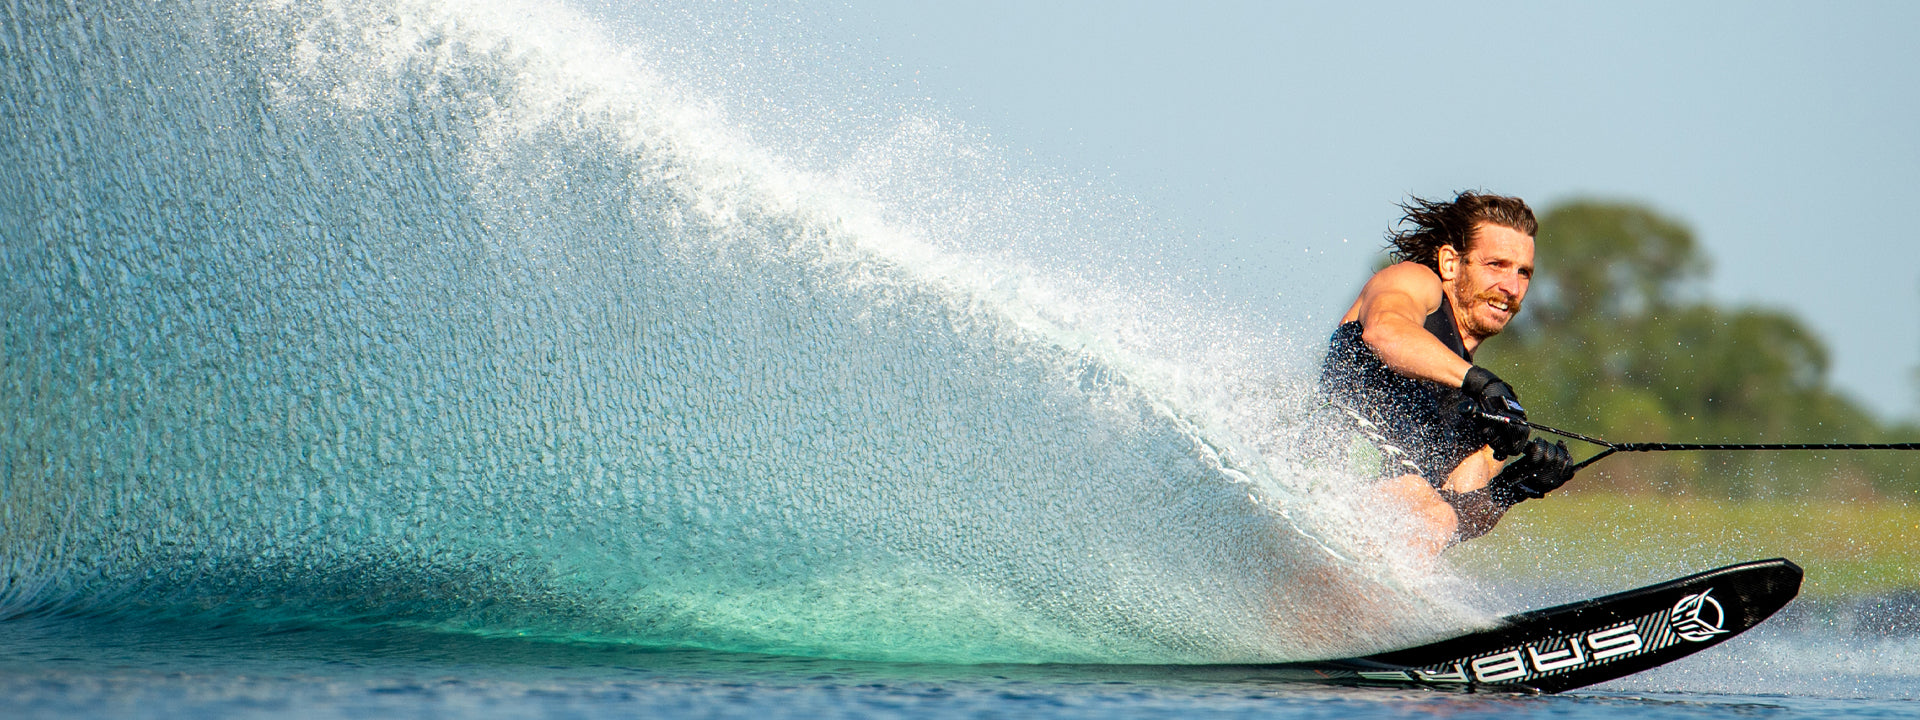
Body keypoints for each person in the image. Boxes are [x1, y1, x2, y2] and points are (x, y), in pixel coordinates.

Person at [1319, 191, 1578, 553]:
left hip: (1364, 532)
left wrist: (1513, 489)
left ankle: (1383, 608)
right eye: (1496, 265)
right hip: (1313, 485)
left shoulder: (1476, 412)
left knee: (1437, 514)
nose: (1512, 287)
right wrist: (1480, 382)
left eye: (1524, 273)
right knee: (1428, 512)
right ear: (1451, 263)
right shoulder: (1414, 283)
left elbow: (1458, 516)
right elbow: (1384, 331)